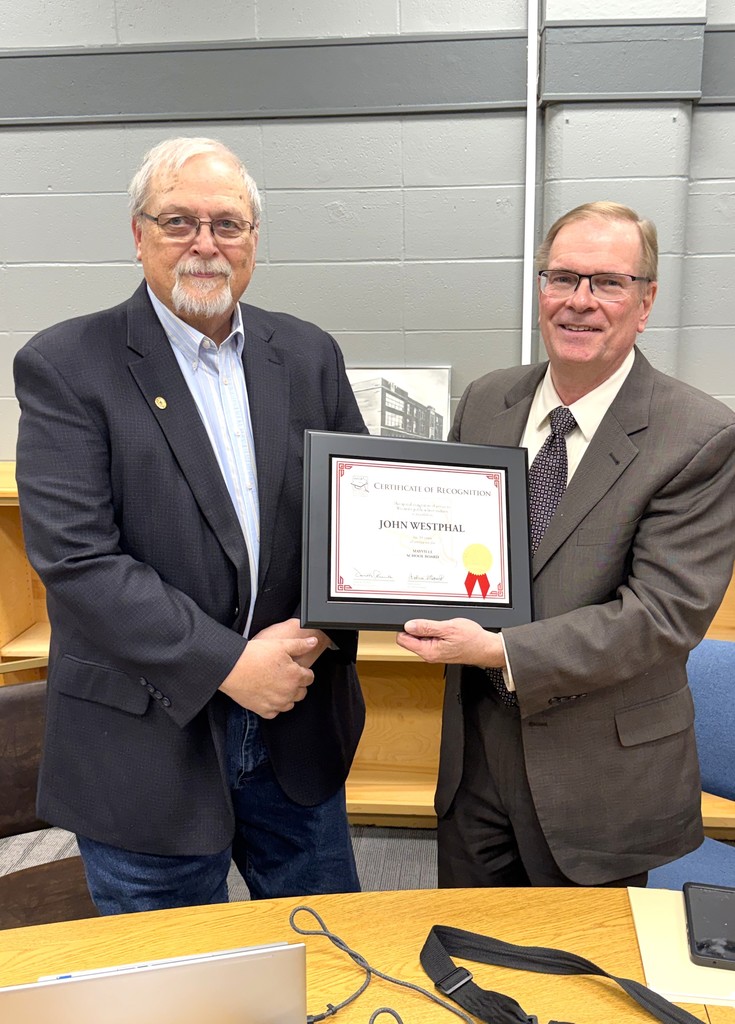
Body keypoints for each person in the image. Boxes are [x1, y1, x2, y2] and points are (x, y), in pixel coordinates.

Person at [13, 137, 367, 914]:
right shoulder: (66, 364)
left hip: (294, 724)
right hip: (145, 746)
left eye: (227, 224)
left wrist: (315, 628)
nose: (205, 244)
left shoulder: (306, 353)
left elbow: (353, 525)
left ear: (253, 241)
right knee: (172, 982)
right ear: (138, 235)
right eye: (178, 221)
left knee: (330, 957)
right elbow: (77, 562)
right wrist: (230, 664)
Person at [398, 201, 735, 888]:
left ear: (644, 302)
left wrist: (499, 650)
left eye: (607, 282)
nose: (579, 302)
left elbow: (661, 618)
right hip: (476, 764)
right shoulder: (486, 401)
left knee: (583, 980)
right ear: (541, 289)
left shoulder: (698, 434)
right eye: (563, 278)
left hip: (598, 777)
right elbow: (452, 541)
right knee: (469, 963)